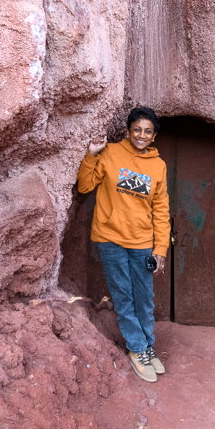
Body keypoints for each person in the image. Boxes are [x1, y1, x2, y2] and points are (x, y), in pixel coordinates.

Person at [77, 107, 170, 383]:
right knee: (123, 295)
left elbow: (162, 210)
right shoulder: (112, 153)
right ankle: (136, 348)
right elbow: (84, 187)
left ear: (154, 137)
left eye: (148, 131)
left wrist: (160, 249)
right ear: (129, 131)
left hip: (142, 242)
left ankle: (147, 344)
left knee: (144, 296)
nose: (142, 135)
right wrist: (92, 155)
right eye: (137, 129)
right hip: (110, 240)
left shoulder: (158, 166)